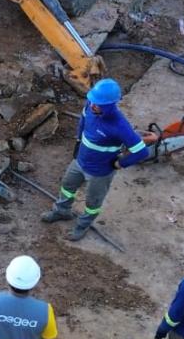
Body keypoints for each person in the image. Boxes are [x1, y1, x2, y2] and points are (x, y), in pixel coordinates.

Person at [40, 77, 154, 241]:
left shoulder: (120, 126)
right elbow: (83, 121)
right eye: (92, 101)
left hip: (100, 173)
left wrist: (119, 163)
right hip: (80, 162)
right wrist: (78, 141)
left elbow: (141, 152)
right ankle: (61, 211)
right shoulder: (90, 107)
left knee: (93, 202)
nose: (93, 105)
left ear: (109, 106)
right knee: (67, 186)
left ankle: (82, 226)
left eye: (98, 104)